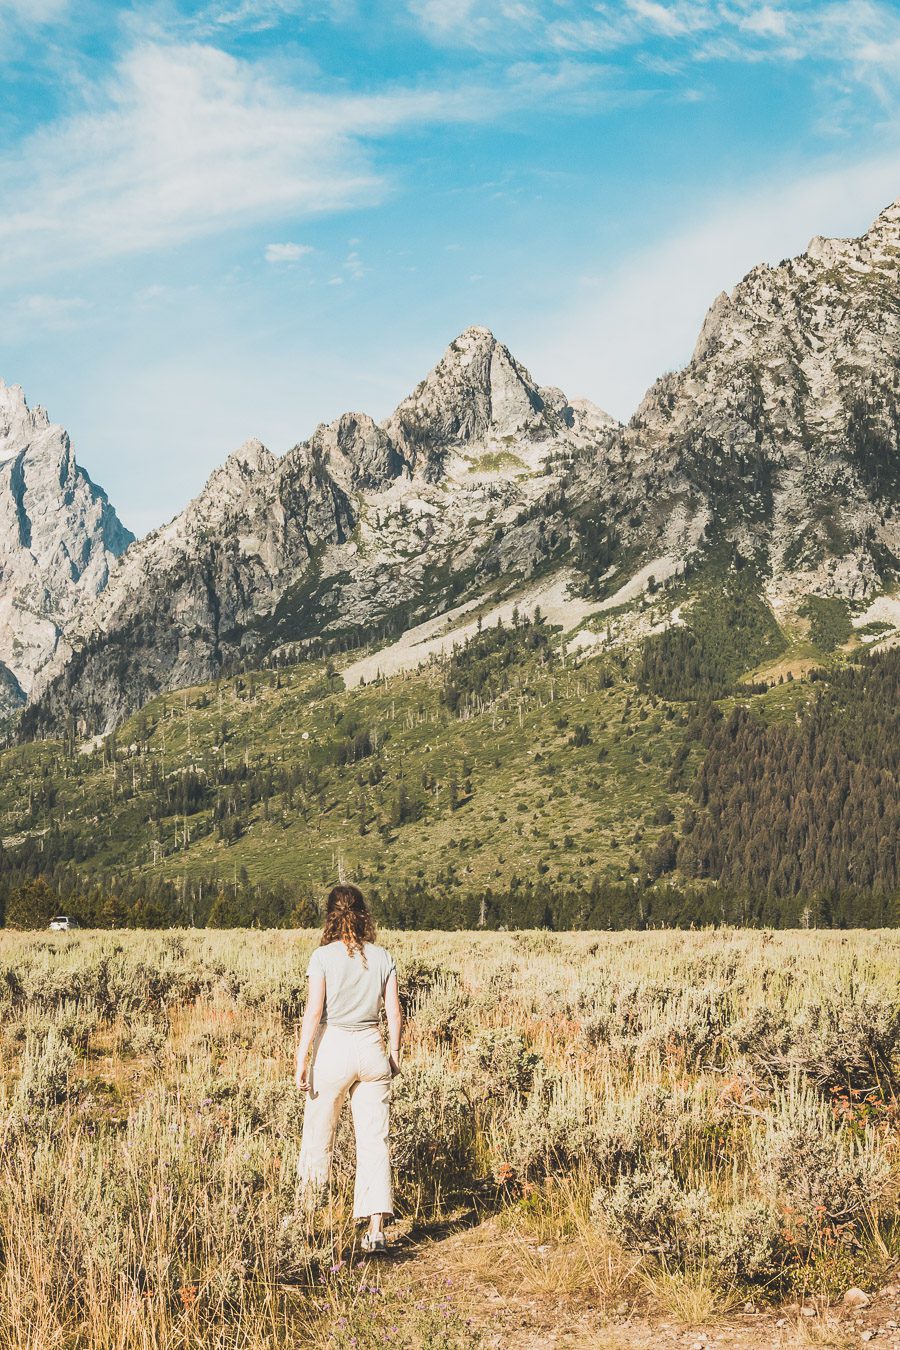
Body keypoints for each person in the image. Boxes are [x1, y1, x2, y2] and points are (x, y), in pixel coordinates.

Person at [294, 884, 403, 1253]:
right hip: (373, 1047)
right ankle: (375, 1231)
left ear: (330, 915)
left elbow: (313, 1013)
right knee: (374, 1140)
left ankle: (306, 1220)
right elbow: (394, 1012)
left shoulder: (322, 957)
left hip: (334, 1047)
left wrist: (301, 1058)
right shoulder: (383, 956)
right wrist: (396, 1052)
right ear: (363, 913)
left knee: (318, 1136)